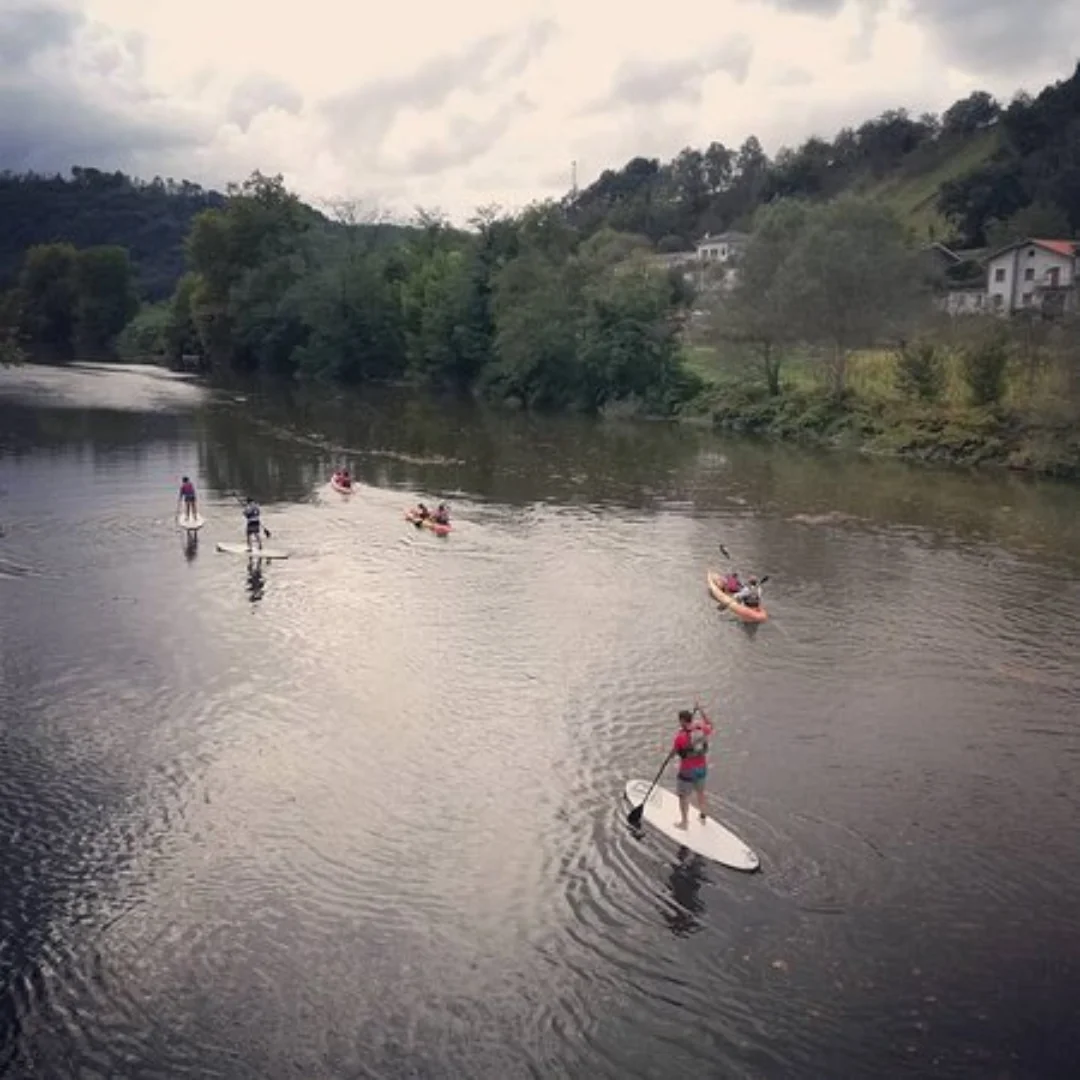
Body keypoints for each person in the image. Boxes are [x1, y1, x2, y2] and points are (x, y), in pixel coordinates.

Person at [672, 705, 714, 830]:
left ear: (683, 721)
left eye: (680, 720)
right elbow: (710, 723)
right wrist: (701, 710)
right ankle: (703, 816)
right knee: (700, 793)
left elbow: (675, 751)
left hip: (687, 771)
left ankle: (684, 823)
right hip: (701, 769)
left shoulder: (680, 737)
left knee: (683, 796)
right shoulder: (702, 728)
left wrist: (669, 756)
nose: (679, 723)